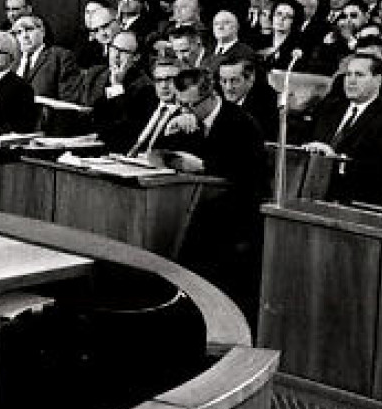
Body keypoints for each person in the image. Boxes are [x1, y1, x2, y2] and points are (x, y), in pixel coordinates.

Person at [152, 67, 271, 319]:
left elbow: (246, 178)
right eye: (180, 104)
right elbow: (156, 156)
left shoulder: (240, 123)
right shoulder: (185, 118)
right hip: (194, 207)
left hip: (235, 216)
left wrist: (204, 167)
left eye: (190, 105)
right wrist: (169, 131)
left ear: (210, 97)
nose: (185, 110)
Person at [302, 53, 382, 205]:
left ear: (378, 80)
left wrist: (335, 160)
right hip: (310, 189)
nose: (351, 81)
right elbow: (305, 140)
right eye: (348, 74)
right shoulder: (329, 107)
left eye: (359, 75)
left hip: (356, 198)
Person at [84, 29, 156, 151]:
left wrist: (116, 86)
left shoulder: (145, 87)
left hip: (116, 149)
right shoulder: (95, 74)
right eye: (114, 48)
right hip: (86, 141)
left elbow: (124, 127)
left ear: (136, 57)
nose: (116, 56)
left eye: (123, 52)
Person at [12, 13, 80, 101]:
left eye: (29, 29)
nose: (24, 36)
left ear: (42, 31)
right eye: (19, 32)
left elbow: (69, 99)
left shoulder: (60, 56)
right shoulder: (12, 60)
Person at [217, 54, 279, 138]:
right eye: (223, 81)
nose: (228, 88)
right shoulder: (215, 92)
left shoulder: (267, 99)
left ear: (250, 78)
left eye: (234, 80)